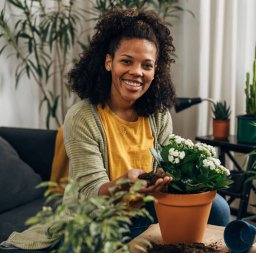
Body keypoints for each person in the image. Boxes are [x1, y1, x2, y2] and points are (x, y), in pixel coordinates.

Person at [1, 8, 230, 250]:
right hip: (98, 218)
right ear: (109, 62)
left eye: (147, 65)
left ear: (156, 71)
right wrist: (122, 183)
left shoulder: (158, 115)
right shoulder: (83, 117)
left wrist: (182, 178)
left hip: (147, 212)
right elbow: (90, 191)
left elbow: (165, 172)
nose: (137, 72)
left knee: (218, 208)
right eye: (126, 61)